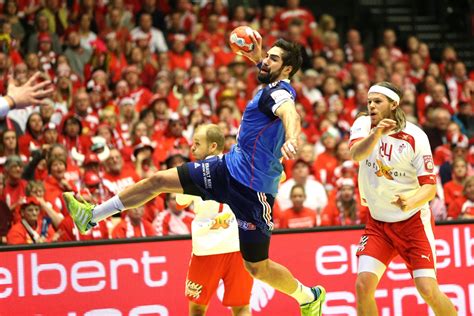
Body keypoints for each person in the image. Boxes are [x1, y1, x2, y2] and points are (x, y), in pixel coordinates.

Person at [64, 37, 326, 314]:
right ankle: (91, 216)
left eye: (274, 59)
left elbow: (290, 113)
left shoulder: (279, 94)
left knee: (257, 267)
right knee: (159, 181)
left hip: (253, 191)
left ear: (287, 70)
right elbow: (265, 69)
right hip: (226, 169)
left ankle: (308, 296)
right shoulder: (271, 83)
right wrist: (257, 56)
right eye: (268, 56)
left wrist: (293, 137)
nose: (266, 61)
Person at [349, 81, 457, 315]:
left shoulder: (415, 136)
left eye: (378, 101)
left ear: (394, 104)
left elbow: (429, 188)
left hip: (412, 222)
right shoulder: (363, 124)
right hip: (378, 223)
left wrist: (410, 202)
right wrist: (377, 133)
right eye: (369, 102)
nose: (371, 106)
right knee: (363, 285)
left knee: (428, 289)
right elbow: (357, 154)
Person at [174, 124, 253, 315]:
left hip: (207, 250)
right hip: (239, 246)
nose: (192, 148)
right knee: (241, 306)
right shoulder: (240, 165)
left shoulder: (191, 171)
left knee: (198, 308)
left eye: (197, 143)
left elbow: (180, 203)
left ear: (212, 146)